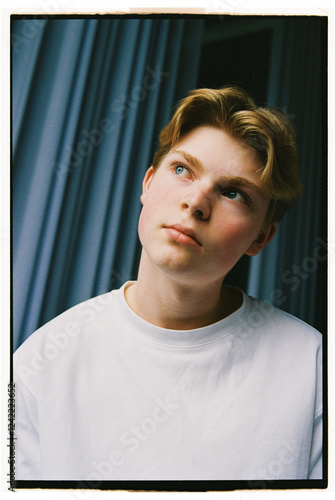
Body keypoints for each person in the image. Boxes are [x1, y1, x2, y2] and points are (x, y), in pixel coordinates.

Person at [14, 86, 322, 482]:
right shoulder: (41, 362)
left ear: (261, 237)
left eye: (233, 193)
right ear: (147, 184)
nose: (196, 202)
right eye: (182, 170)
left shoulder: (312, 368)